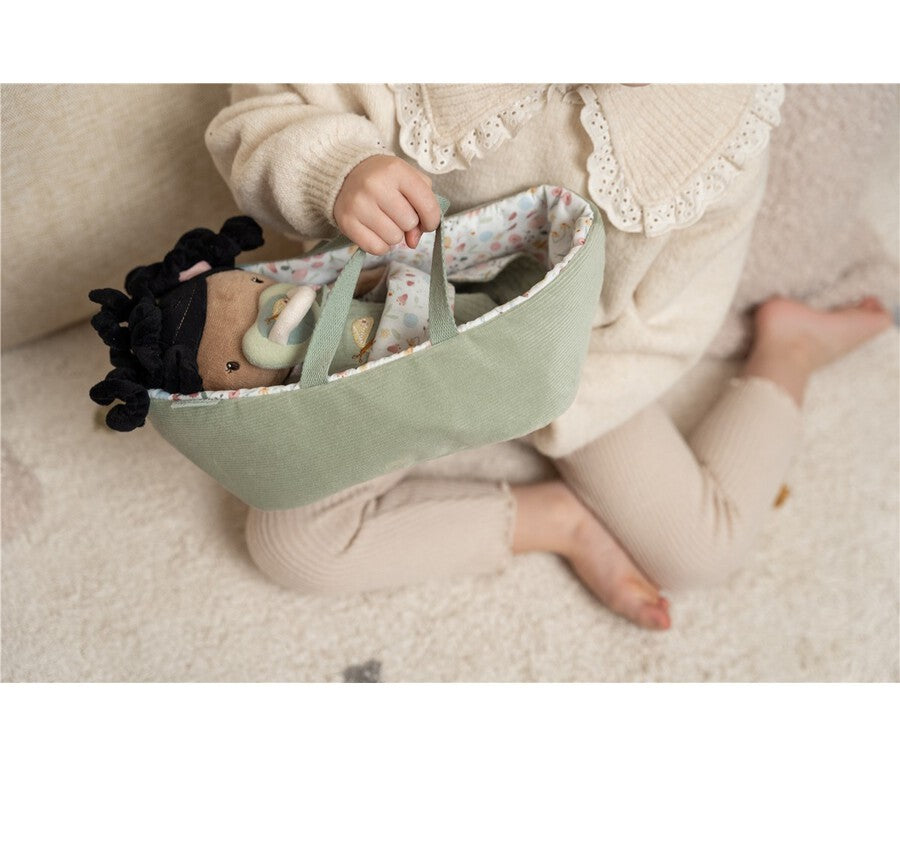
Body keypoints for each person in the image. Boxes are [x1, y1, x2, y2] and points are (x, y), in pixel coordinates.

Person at [205, 84, 892, 630]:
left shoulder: (718, 120)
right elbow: (262, 116)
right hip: (390, 328)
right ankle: (560, 521)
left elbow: (672, 319)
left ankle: (792, 347)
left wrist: (538, 399)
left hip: (575, 364)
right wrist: (337, 171)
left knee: (702, 552)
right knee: (290, 541)